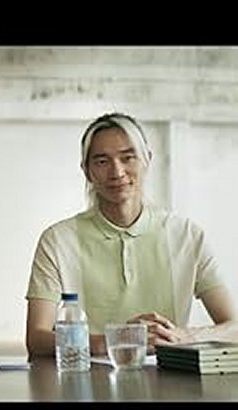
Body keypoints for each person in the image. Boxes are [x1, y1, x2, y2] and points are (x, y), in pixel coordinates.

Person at [25, 112, 238, 357]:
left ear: (147, 159)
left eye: (128, 158)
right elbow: (36, 338)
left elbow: (234, 327)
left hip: (170, 377)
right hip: (86, 377)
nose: (117, 172)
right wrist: (114, 341)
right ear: (86, 171)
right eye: (102, 161)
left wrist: (186, 336)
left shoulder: (187, 235)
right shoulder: (57, 240)